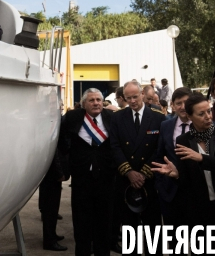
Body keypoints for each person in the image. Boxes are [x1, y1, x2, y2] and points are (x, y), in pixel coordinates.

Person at [152, 93, 215, 233]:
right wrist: (176, 175)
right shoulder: (183, 140)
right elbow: (187, 181)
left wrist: (202, 158)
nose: (208, 116)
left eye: (209, 111)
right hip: (199, 211)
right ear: (189, 116)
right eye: (201, 114)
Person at [110, 80, 166, 255]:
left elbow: (160, 148)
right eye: (128, 98)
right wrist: (129, 172)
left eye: (135, 96)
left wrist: (143, 172)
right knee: (129, 229)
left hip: (150, 181)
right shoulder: (118, 118)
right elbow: (115, 146)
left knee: (153, 230)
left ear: (142, 94)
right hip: (127, 181)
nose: (132, 101)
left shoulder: (158, 117)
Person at [58, 88, 115, 256]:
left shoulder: (112, 118)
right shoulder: (72, 118)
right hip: (82, 179)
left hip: (106, 178)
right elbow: (62, 142)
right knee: (81, 222)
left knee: (104, 222)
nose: (96, 103)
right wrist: (66, 167)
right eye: (91, 100)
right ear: (84, 104)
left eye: (99, 99)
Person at [153, 87, 192, 226]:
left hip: (197, 193)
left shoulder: (205, 125)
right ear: (172, 105)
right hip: (170, 192)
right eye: (178, 103)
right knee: (175, 239)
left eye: (186, 102)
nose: (182, 107)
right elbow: (160, 155)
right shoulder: (166, 125)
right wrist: (160, 185)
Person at [39, 147, 67, 252]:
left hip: (52, 175)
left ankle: (52, 235)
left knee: (53, 209)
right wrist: (59, 172)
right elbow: (53, 153)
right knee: (50, 209)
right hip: (52, 176)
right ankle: (49, 240)